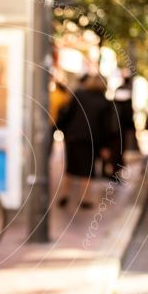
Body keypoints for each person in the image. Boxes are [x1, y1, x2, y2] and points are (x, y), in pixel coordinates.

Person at [56, 74, 110, 209]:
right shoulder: (104, 101)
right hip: (91, 140)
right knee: (87, 169)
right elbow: (106, 126)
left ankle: (65, 195)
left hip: (73, 136)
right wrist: (105, 146)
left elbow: (67, 113)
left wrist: (63, 129)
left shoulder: (79, 94)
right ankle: (84, 198)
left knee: (71, 166)